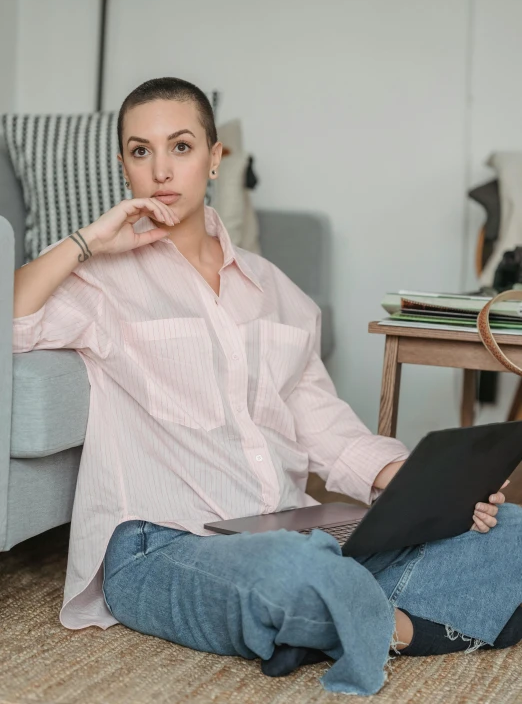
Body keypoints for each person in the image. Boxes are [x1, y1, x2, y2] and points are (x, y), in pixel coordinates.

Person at [12, 77, 522, 697]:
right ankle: (400, 619)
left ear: (214, 156)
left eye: (180, 146)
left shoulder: (279, 292)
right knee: (292, 571)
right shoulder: (100, 284)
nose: (161, 169)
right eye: (140, 152)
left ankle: (355, 621)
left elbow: (327, 431)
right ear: (124, 167)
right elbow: (13, 321)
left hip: (286, 528)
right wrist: (90, 241)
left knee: (509, 532)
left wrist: (430, 493)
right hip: (163, 545)